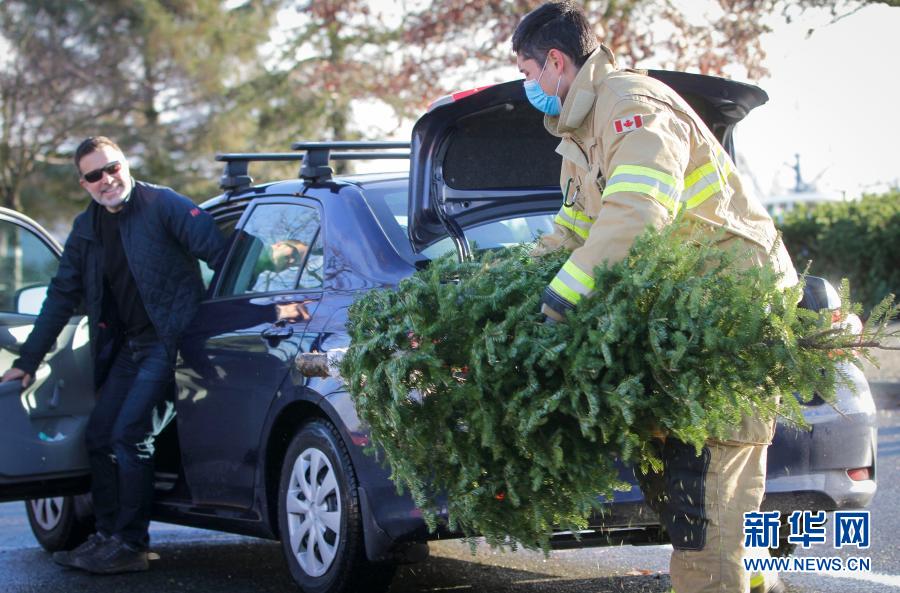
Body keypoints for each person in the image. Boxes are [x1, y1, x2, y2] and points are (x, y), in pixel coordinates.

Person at [512, 3, 796, 592]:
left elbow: (638, 215)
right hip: (683, 327)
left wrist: (561, 300)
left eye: (527, 70)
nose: (527, 86)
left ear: (556, 62)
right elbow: (573, 231)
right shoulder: (578, 138)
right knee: (695, 510)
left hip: (730, 318)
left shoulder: (632, 107)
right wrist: (511, 287)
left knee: (709, 519)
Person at [1, 136, 226, 574]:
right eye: (94, 175)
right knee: (100, 435)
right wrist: (27, 363)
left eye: (113, 168)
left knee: (129, 434)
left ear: (126, 164)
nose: (107, 180)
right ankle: (106, 537)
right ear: (83, 183)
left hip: (171, 342)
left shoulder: (164, 205)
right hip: (131, 347)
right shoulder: (86, 228)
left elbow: (221, 253)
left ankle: (131, 544)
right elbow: (60, 298)